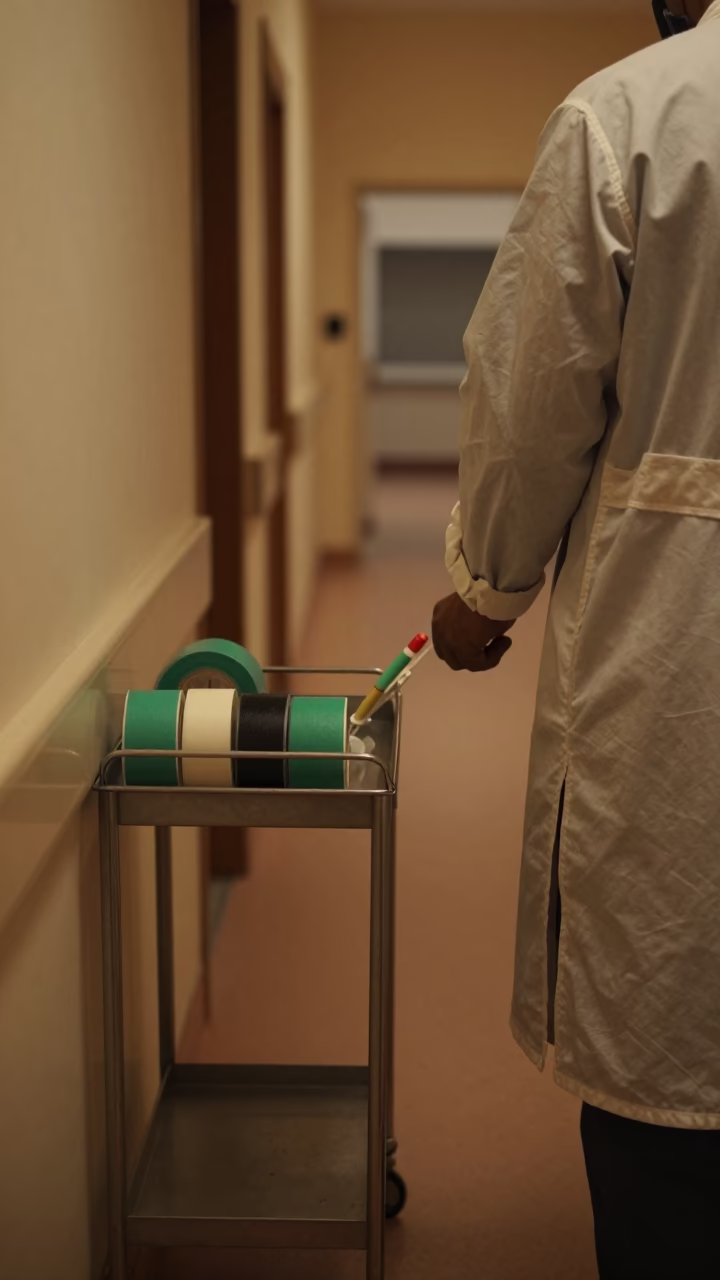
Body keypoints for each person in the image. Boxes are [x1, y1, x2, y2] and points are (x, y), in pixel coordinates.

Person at [432, 3, 720, 1276]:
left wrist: (484, 592)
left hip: (679, 651)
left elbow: (533, 395)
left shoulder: (634, 116)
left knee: (669, 1033)